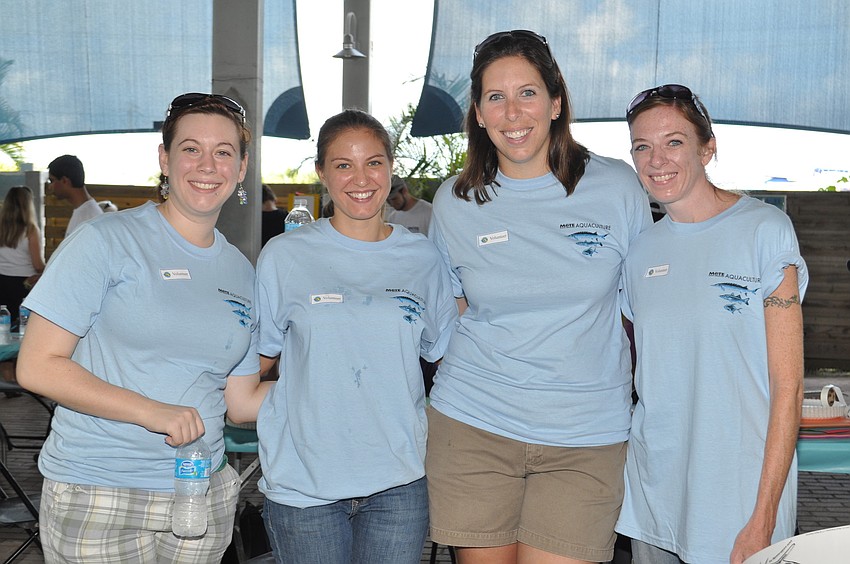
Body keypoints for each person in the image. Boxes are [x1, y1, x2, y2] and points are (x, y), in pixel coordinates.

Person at [425, 30, 652, 564]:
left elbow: (644, 308)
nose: (512, 112)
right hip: (473, 423)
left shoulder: (616, 188)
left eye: (527, 93)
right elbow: (451, 308)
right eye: (494, 97)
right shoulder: (455, 202)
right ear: (478, 114)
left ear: (555, 102)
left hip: (586, 434)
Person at [17, 92, 268, 563]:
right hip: (100, 490)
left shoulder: (242, 272)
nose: (207, 164)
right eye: (191, 148)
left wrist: (331, 382)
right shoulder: (106, 241)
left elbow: (240, 402)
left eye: (223, 152)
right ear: (165, 159)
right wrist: (152, 411)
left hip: (201, 496)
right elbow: (37, 367)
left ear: (241, 167)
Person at [228, 109, 457, 564]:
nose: (361, 178)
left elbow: (445, 355)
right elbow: (255, 369)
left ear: (391, 169)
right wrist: (312, 395)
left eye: (373, 162)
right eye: (343, 164)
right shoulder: (285, 255)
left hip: (398, 480)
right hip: (305, 484)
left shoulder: (423, 257)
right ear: (321, 174)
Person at [614, 84, 807, 564]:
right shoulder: (639, 252)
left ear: (707, 147)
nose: (657, 159)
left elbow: (789, 386)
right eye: (643, 146)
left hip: (740, 502)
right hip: (655, 498)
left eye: (674, 142)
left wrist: (764, 516)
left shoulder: (764, 231)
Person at [0, 186, 44, 329]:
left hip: (2, 281)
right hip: (24, 284)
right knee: (22, 327)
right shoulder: (30, 230)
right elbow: (37, 265)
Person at [47, 154, 104, 236]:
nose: (50, 187)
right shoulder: (84, 211)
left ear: (64, 180)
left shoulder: (89, 217)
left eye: (52, 180)